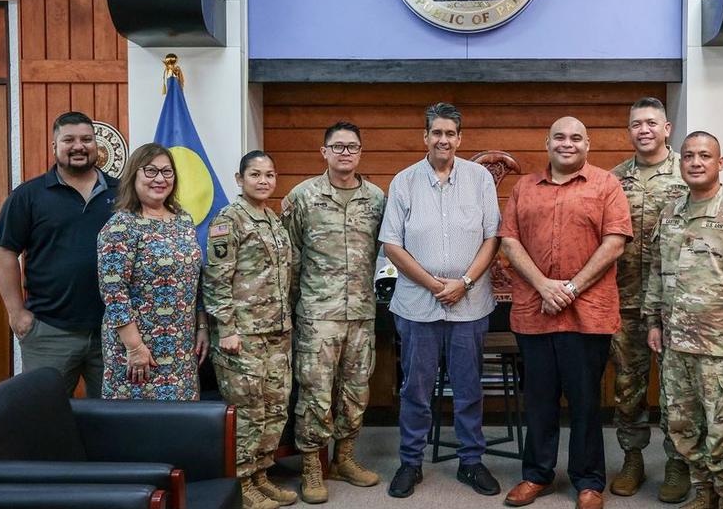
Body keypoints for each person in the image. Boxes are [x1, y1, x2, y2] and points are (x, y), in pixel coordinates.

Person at [500, 116, 631, 509]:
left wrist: (570, 288)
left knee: (586, 401)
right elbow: (508, 241)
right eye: (560, 137)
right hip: (534, 312)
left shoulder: (606, 184)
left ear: (588, 145)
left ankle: (588, 481)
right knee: (539, 399)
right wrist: (544, 285)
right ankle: (536, 474)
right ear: (547, 143)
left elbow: (614, 243)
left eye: (576, 138)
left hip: (588, 315)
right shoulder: (524, 187)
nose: (567, 143)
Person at [379, 102, 501, 499]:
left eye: (450, 133)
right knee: (416, 389)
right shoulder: (404, 181)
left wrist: (464, 282)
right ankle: (410, 463)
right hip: (417, 305)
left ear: (459, 138)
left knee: (468, 389)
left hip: (469, 305)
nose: (443, 139)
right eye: (436, 133)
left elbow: (492, 238)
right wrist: (434, 284)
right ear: (425, 137)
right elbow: (392, 244)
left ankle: (470, 461)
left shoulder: (480, 179)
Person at [644, 132, 723, 509]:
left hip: (721, 351)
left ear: (721, 163)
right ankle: (703, 494)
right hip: (676, 347)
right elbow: (657, 271)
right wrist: (653, 321)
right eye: (688, 156)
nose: (695, 162)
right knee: (683, 429)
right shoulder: (671, 213)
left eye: (704, 155)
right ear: (680, 162)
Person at [281, 122, 385, 504]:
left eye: (352, 147)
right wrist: (288, 313)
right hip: (316, 314)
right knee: (315, 394)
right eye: (337, 146)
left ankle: (344, 458)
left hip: (361, 313)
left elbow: (384, 254)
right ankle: (313, 465)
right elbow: (288, 257)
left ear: (360, 153)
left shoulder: (376, 199)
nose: (345, 153)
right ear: (323, 151)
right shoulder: (303, 196)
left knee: (356, 391)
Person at [0, 111, 118, 398]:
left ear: (96, 145)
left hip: (114, 332)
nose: (79, 146)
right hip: (49, 331)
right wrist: (16, 314)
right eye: (69, 140)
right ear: (54, 146)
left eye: (86, 139)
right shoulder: (29, 195)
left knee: (115, 423)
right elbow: (3, 251)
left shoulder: (122, 193)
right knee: (42, 418)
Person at [203, 151, 297, 509]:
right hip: (241, 336)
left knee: (275, 408)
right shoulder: (229, 220)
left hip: (276, 331)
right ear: (239, 179)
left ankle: (261, 474)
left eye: (270, 174)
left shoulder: (272, 220)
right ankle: (241, 482)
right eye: (255, 174)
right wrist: (226, 327)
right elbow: (215, 279)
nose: (263, 180)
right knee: (247, 411)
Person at [609, 97, 690, 501]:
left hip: (676, 306)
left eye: (651, 123)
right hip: (625, 301)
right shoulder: (614, 178)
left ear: (667, 128)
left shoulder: (688, 173)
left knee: (676, 390)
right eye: (636, 123)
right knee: (628, 387)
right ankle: (632, 459)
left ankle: (677, 465)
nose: (644, 130)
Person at [97, 143, 208, 400]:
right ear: (134, 174)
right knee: (139, 430)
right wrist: (135, 347)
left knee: (180, 428)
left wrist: (202, 326)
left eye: (167, 172)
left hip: (181, 349)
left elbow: (196, 280)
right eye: (150, 171)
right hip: (138, 352)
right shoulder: (121, 225)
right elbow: (114, 293)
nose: (160, 179)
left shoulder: (183, 220)